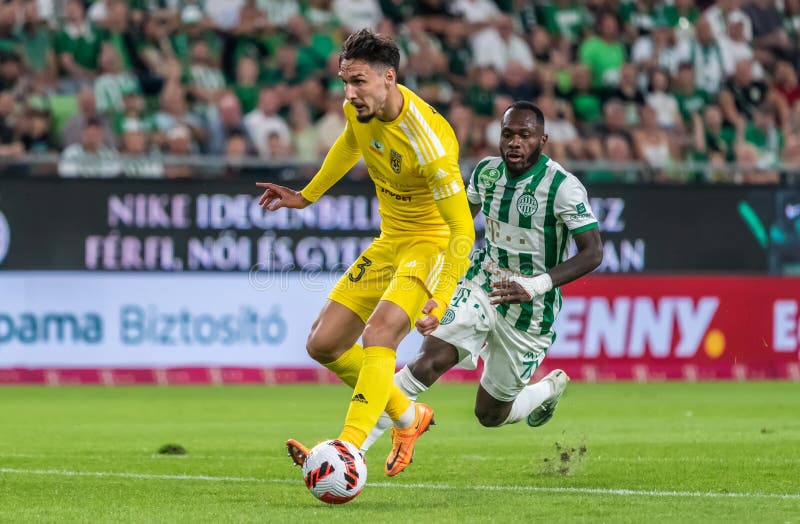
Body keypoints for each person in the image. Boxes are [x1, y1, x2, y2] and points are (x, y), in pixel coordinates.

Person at [255, 29, 475, 477]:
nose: (349, 94)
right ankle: (410, 418)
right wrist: (307, 195)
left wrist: (444, 294)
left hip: (430, 245)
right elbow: (349, 144)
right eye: (344, 82)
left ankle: (347, 449)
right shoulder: (359, 110)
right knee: (324, 343)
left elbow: (462, 231)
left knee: (380, 335)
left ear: (389, 78)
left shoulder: (429, 145)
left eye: (358, 82)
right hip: (390, 240)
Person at [361, 101, 603, 452]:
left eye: (525, 135)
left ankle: (548, 388)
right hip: (482, 284)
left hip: (530, 311)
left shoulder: (563, 188)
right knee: (428, 362)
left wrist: (535, 285)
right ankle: (353, 449)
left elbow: (593, 252)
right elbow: (456, 226)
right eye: (508, 134)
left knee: (489, 414)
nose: (515, 142)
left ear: (543, 140)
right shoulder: (487, 173)